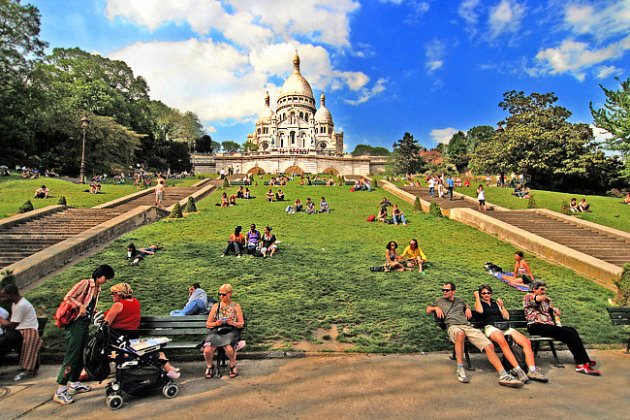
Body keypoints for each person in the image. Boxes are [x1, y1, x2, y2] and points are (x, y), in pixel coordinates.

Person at [426, 282, 523, 387]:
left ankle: (503, 375)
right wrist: (435, 308)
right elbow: (428, 309)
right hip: (453, 326)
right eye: (443, 290)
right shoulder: (439, 301)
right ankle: (460, 368)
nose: (444, 292)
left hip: (467, 326)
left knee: (489, 346)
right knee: (460, 334)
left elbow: (465, 305)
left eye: (447, 290)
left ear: (453, 291)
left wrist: (467, 308)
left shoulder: (460, 300)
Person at [53, 264, 115, 405]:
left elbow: (89, 305)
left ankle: (74, 383)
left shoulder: (97, 289)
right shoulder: (85, 283)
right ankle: (60, 390)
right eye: (107, 277)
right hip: (75, 324)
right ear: (100, 275)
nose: (107, 280)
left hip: (84, 323)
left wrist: (92, 310)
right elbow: (68, 297)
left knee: (82, 353)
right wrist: (80, 306)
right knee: (72, 356)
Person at [473, 285, 548, 383]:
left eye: (488, 293)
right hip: (491, 327)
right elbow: (479, 311)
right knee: (503, 342)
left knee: (526, 342)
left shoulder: (496, 303)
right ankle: (518, 370)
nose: (486, 295)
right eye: (483, 293)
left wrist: (502, 306)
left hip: (504, 326)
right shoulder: (478, 303)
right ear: (480, 294)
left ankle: (532, 370)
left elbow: (506, 317)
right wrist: (477, 297)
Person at [524, 281, 601, 375]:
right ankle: (581, 365)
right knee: (569, 334)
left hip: (547, 326)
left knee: (572, 331)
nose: (544, 291)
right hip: (535, 326)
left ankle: (585, 360)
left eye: (545, 289)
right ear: (534, 289)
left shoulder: (544, 299)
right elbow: (537, 299)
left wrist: (554, 309)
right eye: (542, 289)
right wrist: (546, 297)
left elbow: (548, 308)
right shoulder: (528, 296)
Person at [104, 283, 179, 378]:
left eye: (113, 293)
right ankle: (169, 369)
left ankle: (88, 372)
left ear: (119, 294)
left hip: (119, 338)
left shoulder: (118, 305)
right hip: (133, 336)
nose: (112, 295)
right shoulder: (135, 302)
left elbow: (106, 323)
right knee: (156, 350)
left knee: (102, 348)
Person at [0, 284, 42, 381]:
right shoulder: (16, 303)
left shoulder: (21, 305)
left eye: (4, 296)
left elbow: (11, 325)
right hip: (19, 330)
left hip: (26, 331)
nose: (2, 299)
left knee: (3, 342)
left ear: (11, 295)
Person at [202, 284, 245, 379]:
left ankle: (232, 365)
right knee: (207, 350)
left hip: (230, 330)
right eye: (219, 294)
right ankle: (209, 366)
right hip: (217, 330)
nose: (221, 296)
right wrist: (216, 323)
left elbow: (241, 323)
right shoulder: (216, 306)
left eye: (223, 294)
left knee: (229, 349)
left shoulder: (236, 306)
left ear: (230, 294)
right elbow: (208, 324)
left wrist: (233, 323)